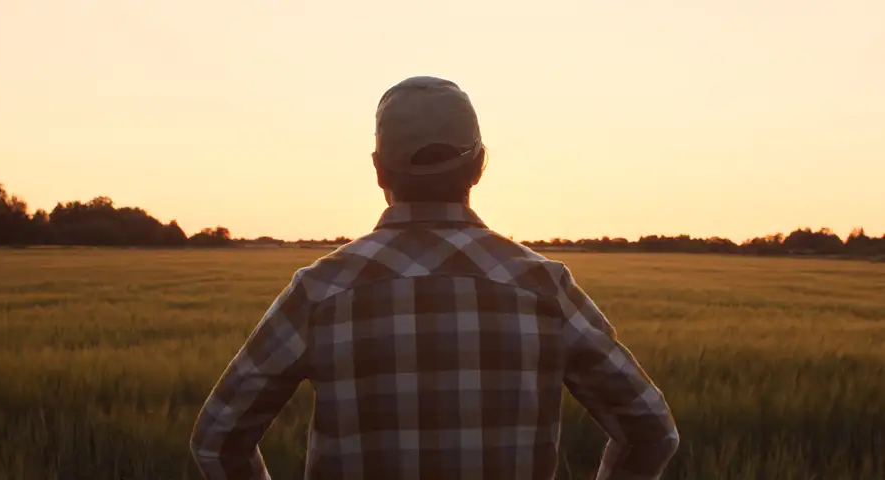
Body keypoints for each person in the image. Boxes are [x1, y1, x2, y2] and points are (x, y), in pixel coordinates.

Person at [190, 76, 679, 479]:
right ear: (480, 165)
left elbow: (217, 441)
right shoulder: (543, 288)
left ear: (379, 171)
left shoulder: (321, 291)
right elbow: (651, 432)